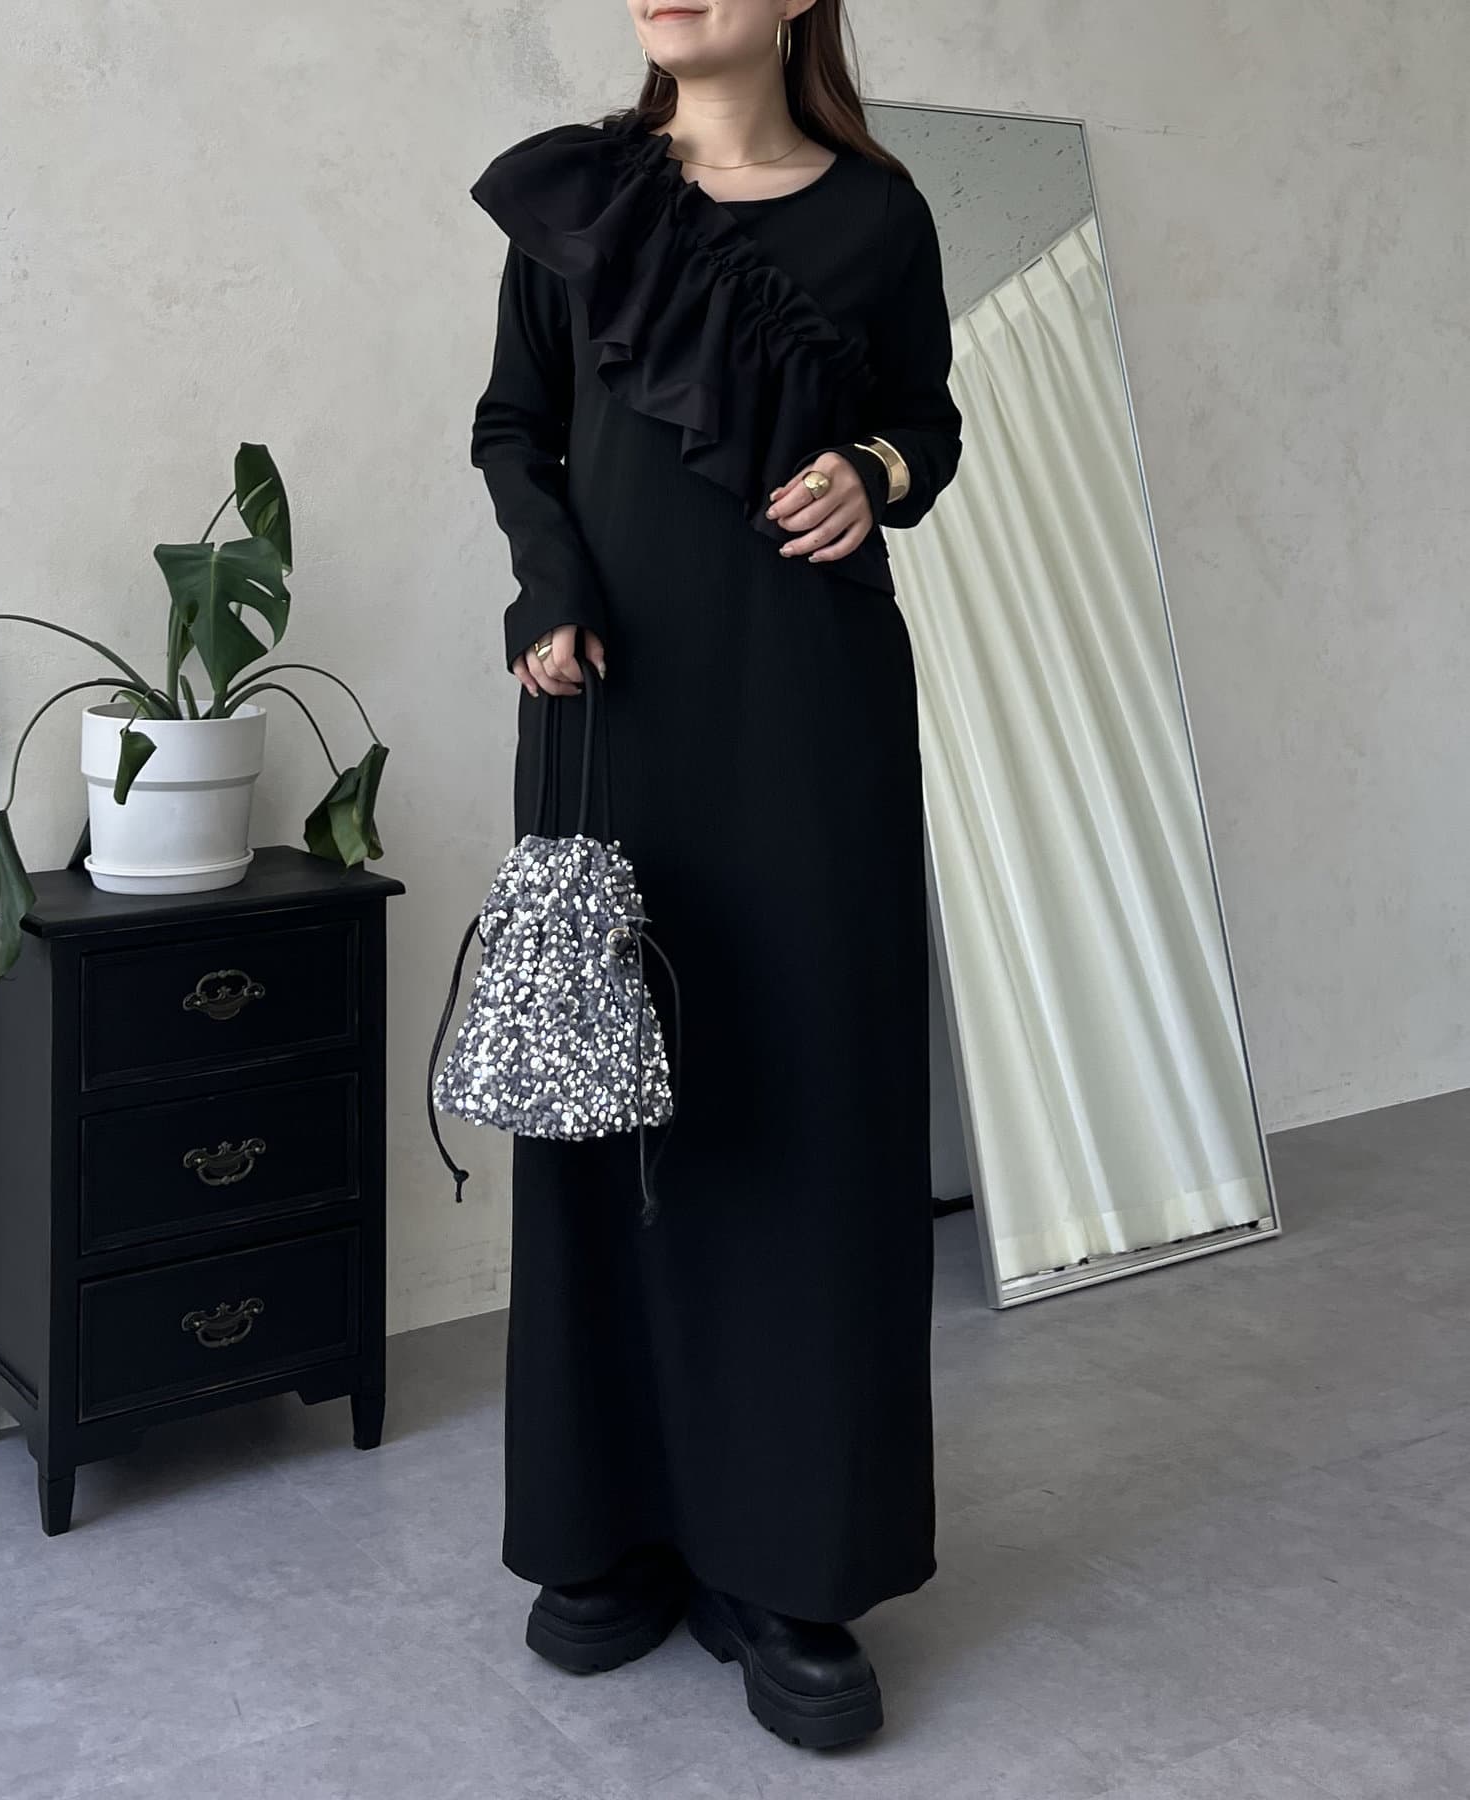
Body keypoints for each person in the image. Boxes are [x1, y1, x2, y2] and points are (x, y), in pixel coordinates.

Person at [464, 0, 963, 1751]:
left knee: (802, 1105)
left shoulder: (879, 215)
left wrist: (870, 470)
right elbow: (513, 430)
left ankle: (792, 1563)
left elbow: (927, 426)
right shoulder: (582, 197)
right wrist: (546, 590)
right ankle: (605, 1527)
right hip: (611, 713)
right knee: (604, 1101)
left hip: (809, 719)